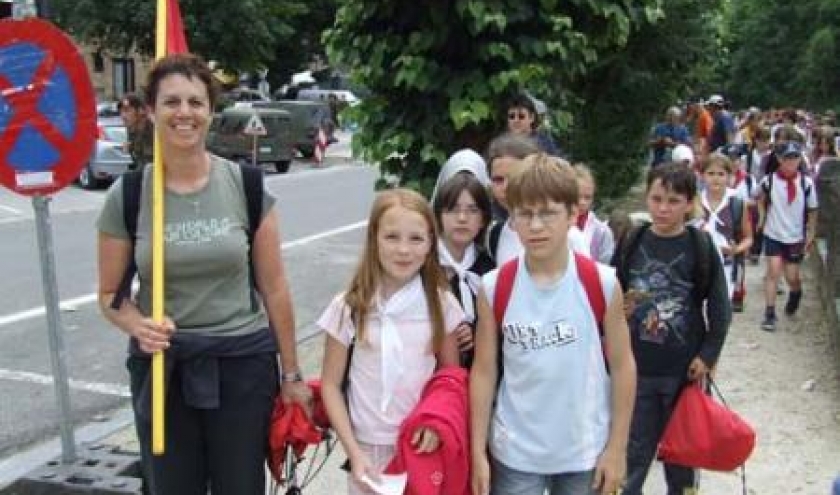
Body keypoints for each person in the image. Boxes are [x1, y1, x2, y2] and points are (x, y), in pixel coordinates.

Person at [97, 54, 311, 495]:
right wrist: (139, 325)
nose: (184, 113)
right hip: (164, 368)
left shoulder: (246, 186)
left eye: (196, 102)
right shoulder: (130, 194)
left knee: (240, 487)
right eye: (171, 101)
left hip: (242, 368)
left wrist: (291, 377)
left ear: (211, 111)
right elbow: (109, 295)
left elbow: (275, 289)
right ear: (151, 110)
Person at [470, 153, 636, 495]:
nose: (535, 226)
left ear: (573, 214)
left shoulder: (602, 283)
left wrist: (617, 448)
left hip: (584, 451)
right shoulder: (494, 287)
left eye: (547, 213)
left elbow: (623, 366)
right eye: (524, 213)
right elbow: (484, 372)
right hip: (515, 453)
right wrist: (477, 452)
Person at [317, 188, 464, 494]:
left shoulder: (441, 305)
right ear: (374, 239)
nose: (403, 250)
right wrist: (353, 450)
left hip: (421, 443)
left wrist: (436, 421)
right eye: (392, 237)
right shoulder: (349, 307)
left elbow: (451, 378)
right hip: (366, 449)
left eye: (416, 239)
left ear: (430, 244)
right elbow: (330, 384)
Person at [611, 162, 731, 495]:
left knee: (682, 460)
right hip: (636, 370)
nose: (663, 208)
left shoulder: (700, 246)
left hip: (684, 374)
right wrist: (618, 312)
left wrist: (707, 355)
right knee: (632, 456)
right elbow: (611, 291)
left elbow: (720, 309)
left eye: (674, 201)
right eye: (656, 199)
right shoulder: (632, 241)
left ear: (690, 203)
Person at [431, 150, 495, 368]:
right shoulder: (424, 265)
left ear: (483, 219)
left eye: (472, 210)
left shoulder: (489, 268)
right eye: (452, 209)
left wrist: (475, 332)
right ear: (439, 215)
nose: (462, 218)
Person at [756, 141, 819, 332]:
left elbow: (813, 210)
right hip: (773, 232)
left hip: (794, 236)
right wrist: (762, 218)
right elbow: (760, 199)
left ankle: (795, 293)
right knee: (773, 272)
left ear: (800, 159)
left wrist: (811, 233)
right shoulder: (769, 181)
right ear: (779, 159)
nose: (791, 162)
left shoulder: (806, 183)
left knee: (792, 277)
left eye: (795, 157)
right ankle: (769, 313)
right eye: (787, 158)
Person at [697, 153, 753, 305]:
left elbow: (748, 237)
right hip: (699, 265)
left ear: (729, 177)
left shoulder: (737, 203)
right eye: (711, 173)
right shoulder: (695, 202)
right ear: (702, 176)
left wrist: (736, 249)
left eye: (721, 174)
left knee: (720, 309)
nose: (715, 178)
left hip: (726, 267)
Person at [574, 163, 615, 263]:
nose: (582, 202)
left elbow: (605, 265)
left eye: (587, 197)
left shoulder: (602, 232)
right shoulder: (555, 225)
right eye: (577, 196)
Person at [118, 92, 155, 171]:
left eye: (127, 110)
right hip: (143, 172)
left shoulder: (154, 129)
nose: (123, 116)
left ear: (141, 110)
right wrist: (130, 148)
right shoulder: (131, 129)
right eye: (120, 112)